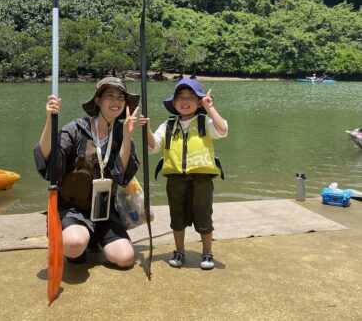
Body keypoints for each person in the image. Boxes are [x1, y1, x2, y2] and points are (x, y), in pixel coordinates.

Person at [34, 77, 140, 268]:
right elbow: (49, 163)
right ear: (98, 100)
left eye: (120, 97)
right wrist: (49, 121)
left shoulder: (122, 131)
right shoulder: (76, 129)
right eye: (110, 96)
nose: (116, 102)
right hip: (72, 208)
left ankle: (94, 238)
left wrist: (127, 137)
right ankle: (76, 243)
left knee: (125, 259)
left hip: (104, 210)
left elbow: (122, 176)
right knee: (74, 244)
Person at [140, 78, 228, 270]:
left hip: (202, 179)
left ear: (199, 102)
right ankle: (179, 251)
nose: (185, 101)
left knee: (204, 215)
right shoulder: (168, 125)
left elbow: (222, 130)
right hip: (175, 179)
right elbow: (153, 146)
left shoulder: (205, 121)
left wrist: (210, 108)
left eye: (191, 97)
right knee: (177, 216)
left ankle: (207, 252)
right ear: (174, 103)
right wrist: (146, 129)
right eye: (180, 97)